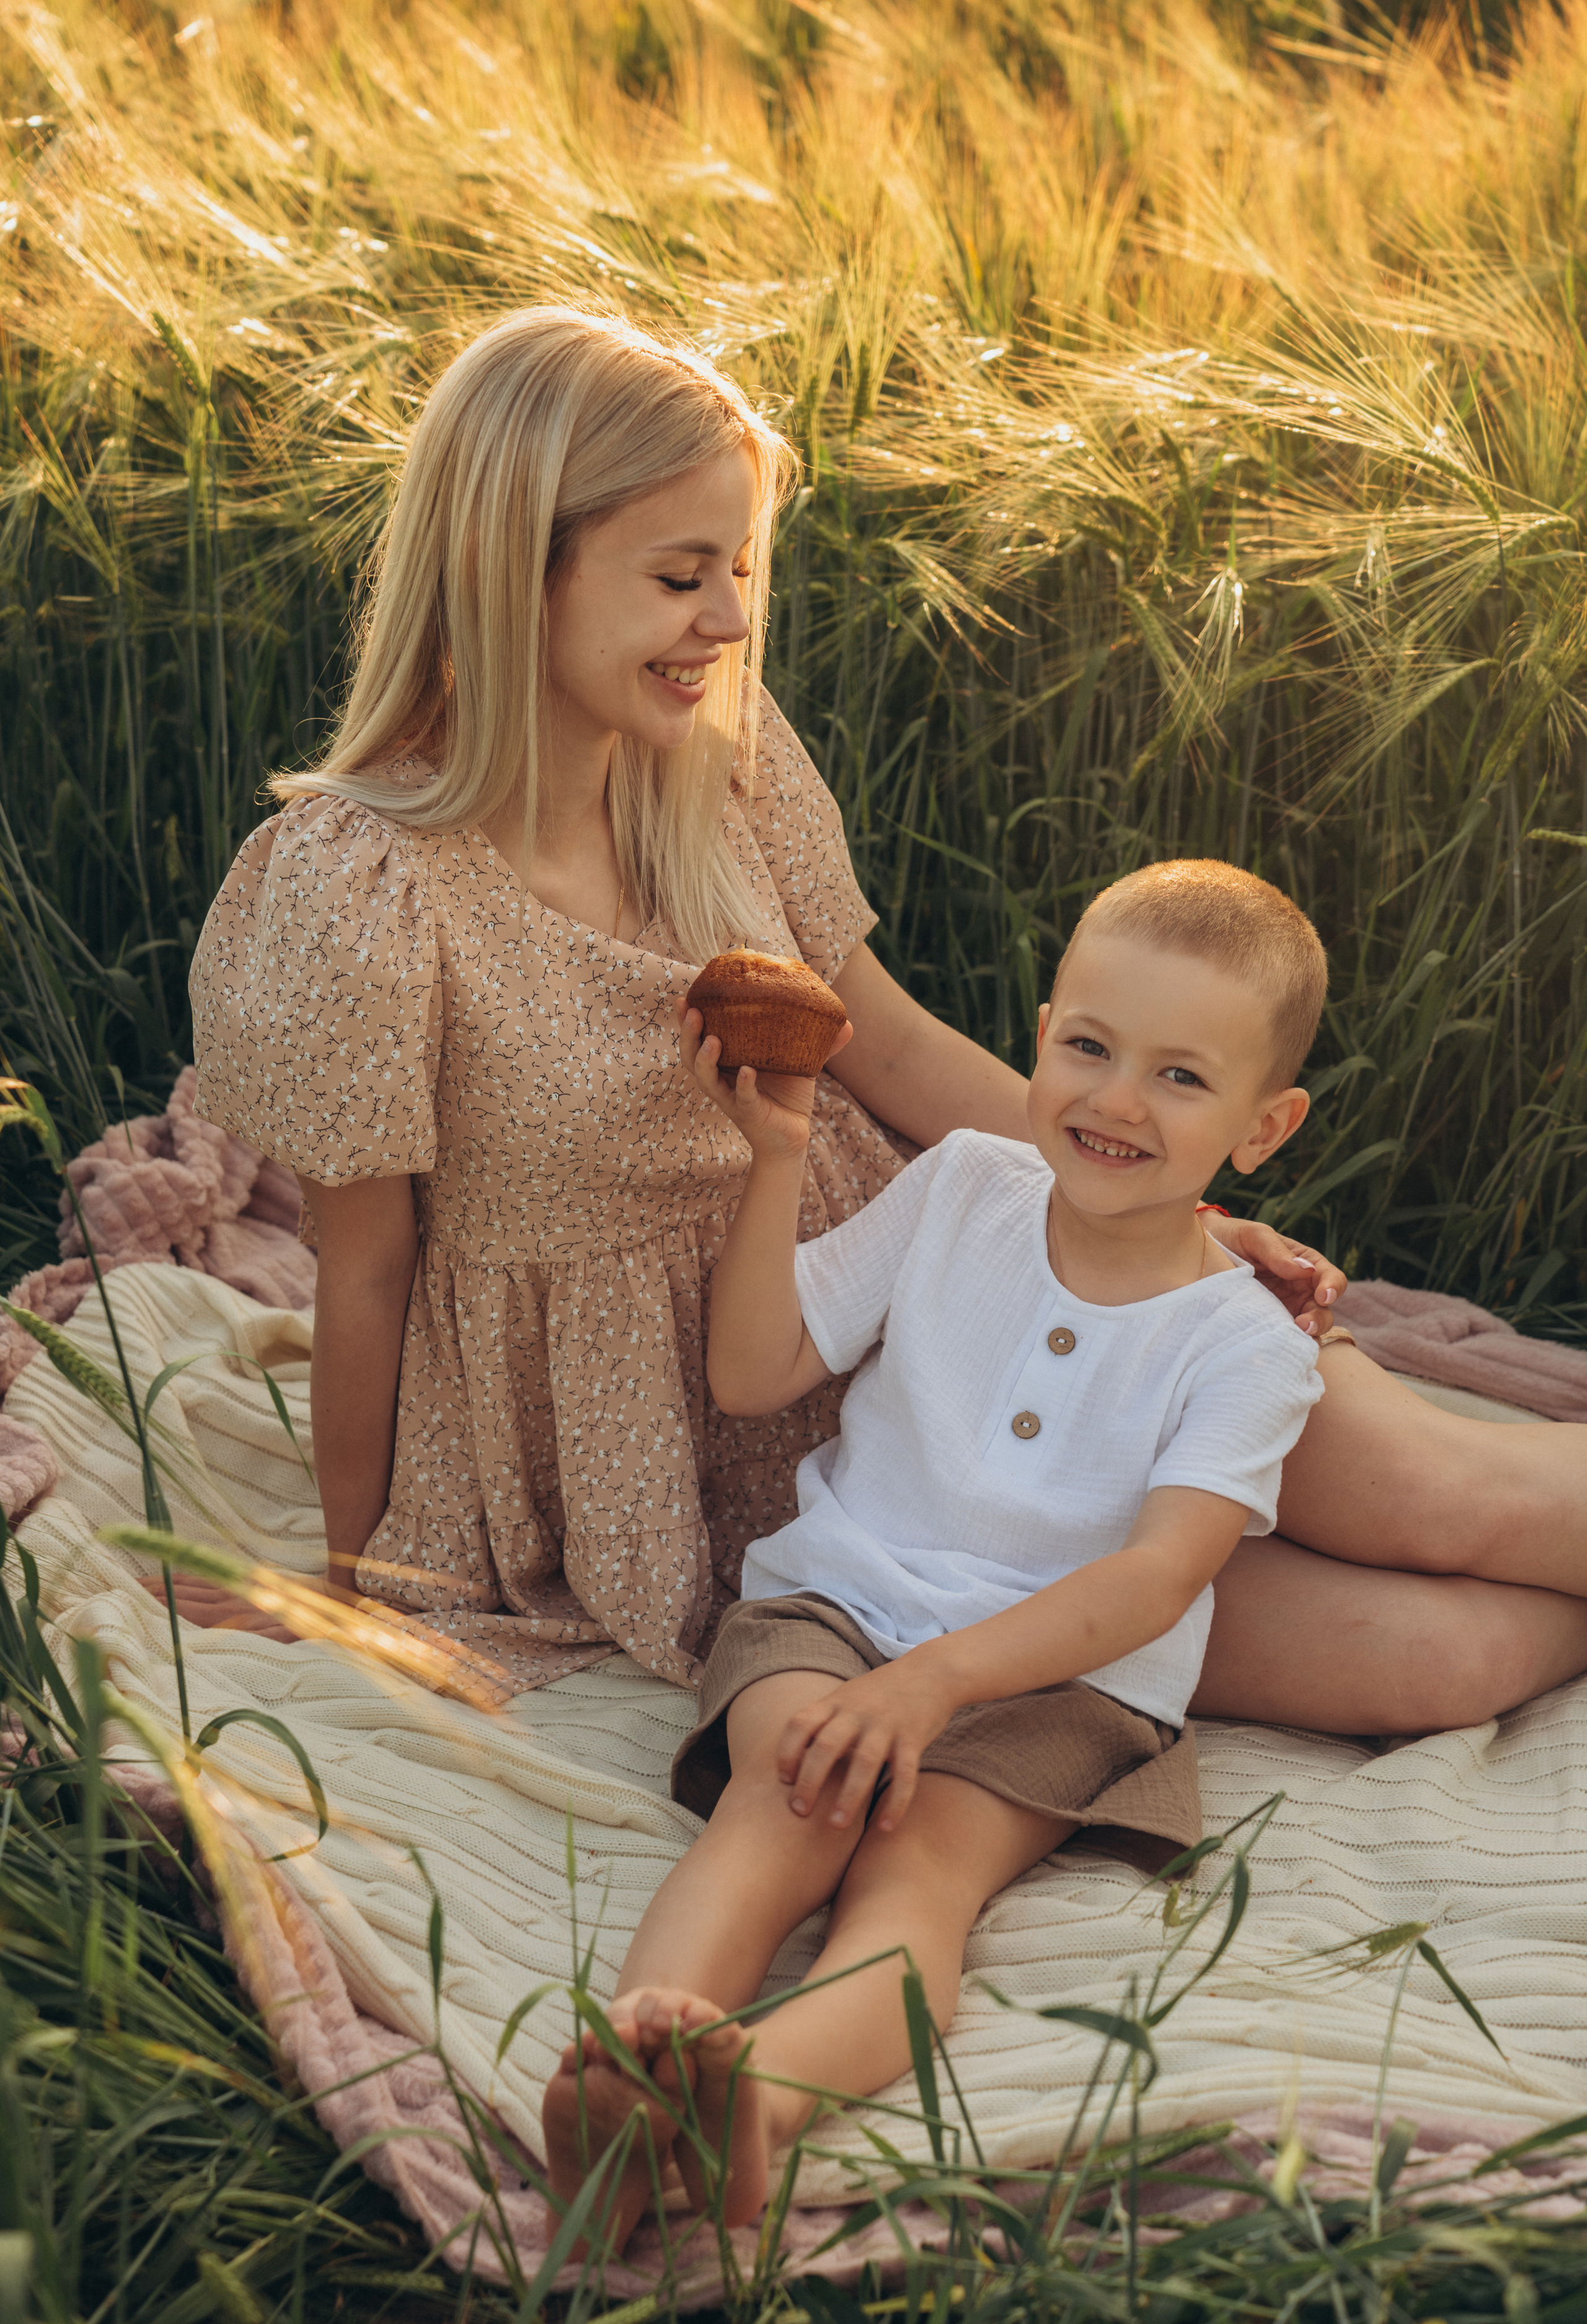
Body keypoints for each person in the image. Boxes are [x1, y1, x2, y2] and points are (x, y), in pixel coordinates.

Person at [166, 303, 1587, 1747]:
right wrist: (348, 1576)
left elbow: (888, 1045)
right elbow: (367, 1270)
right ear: (509, 566)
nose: (728, 621)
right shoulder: (361, 887)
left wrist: (1173, 1220)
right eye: (678, 576)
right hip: (744, 1466)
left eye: (736, 570)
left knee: (1439, 1499)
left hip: (950, 1292)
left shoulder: (717, 756)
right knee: (1430, 1663)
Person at [540, 858, 1332, 2241]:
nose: (1116, 1100)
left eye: (1179, 1077)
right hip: (840, 1604)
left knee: (917, 1878)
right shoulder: (963, 1186)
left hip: (1057, 1685)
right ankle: (635, 2069)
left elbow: (1156, 1579)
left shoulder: (1248, 1346)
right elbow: (753, 1371)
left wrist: (940, 1682)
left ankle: (759, 2098)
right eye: (1089, 1047)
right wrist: (777, 1155)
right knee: (787, 1799)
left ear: (1262, 1127)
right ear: (1041, 1036)